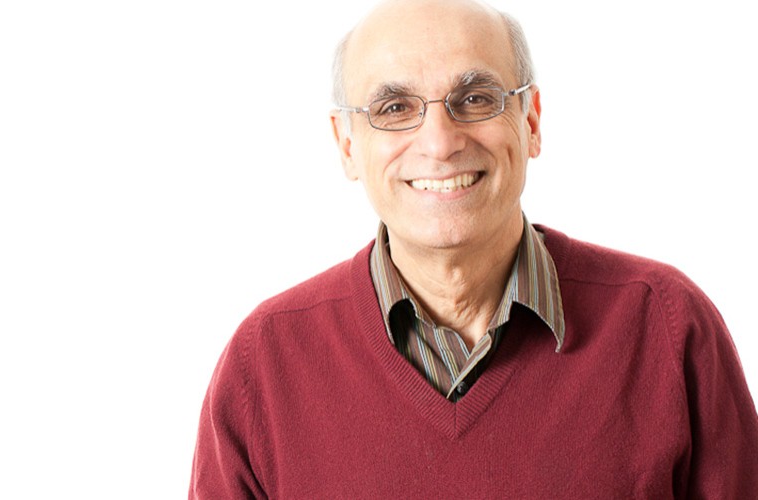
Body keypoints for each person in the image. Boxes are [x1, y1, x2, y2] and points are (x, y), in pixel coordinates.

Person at [189, 0, 758, 497]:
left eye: (476, 97)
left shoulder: (666, 325)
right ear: (345, 145)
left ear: (531, 121)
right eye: (394, 109)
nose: (439, 142)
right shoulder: (263, 364)